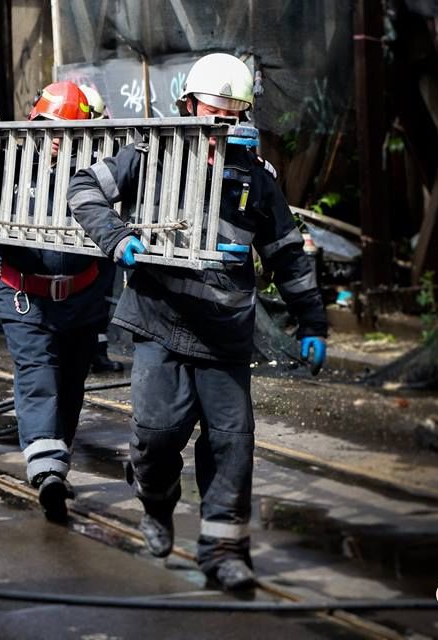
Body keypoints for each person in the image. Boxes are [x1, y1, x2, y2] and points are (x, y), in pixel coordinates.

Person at [68, 53, 329, 590]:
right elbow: (83, 190)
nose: (224, 127)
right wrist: (116, 237)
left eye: (234, 117)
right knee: (157, 436)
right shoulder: (151, 154)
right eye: (215, 115)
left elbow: (287, 254)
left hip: (225, 333)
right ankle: (155, 498)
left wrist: (312, 323)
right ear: (188, 106)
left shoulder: (257, 179)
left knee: (232, 443)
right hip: (159, 320)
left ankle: (223, 551)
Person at [0, 81, 107, 521]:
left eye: (67, 130)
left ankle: (55, 460)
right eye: (49, 127)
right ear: (34, 123)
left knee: (70, 385)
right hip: (25, 297)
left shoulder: (97, 168)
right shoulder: (9, 161)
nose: (56, 138)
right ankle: (46, 471)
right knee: (38, 378)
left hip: (81, 297)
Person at [78, 84, 124, 374]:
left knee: (102, 294)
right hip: (79, 235)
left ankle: (98, 352)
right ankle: (88, 351)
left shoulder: (109, 147)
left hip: (104, 233)